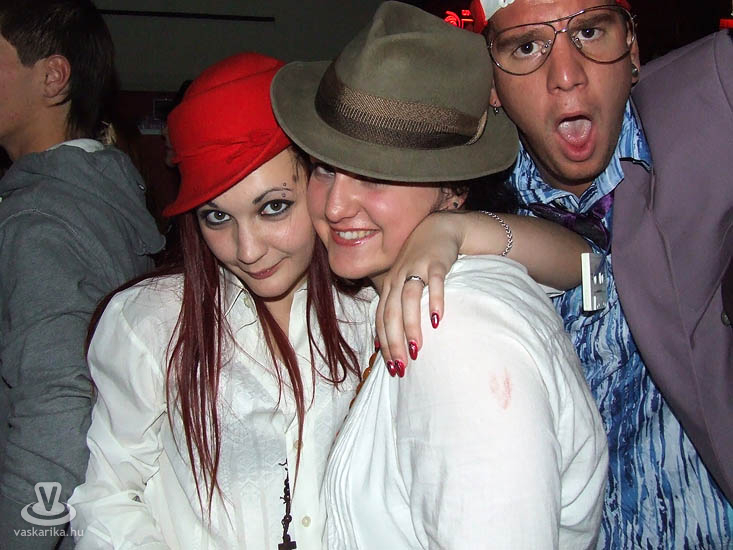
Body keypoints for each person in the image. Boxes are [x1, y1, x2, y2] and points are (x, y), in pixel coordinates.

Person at [271, 2, 608, 547]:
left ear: (453, 190)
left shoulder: (456, 332)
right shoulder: (407, 290)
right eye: (325, 168)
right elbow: (578, 258)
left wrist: (453, 231)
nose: (334, 205)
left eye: (376, 176)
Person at [469, 0, 733, 547]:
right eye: (527, 46)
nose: (567, 76)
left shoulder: (713, 108)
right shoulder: (464, 208)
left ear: (632, 49)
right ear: (491, 82)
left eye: (590, 32)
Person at [0, 1, 164, 548]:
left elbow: (57, 407)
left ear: (53, 77)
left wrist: (21, 532)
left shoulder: (39, 218)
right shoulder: (100, 193)